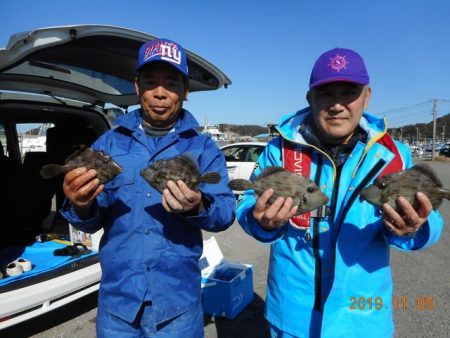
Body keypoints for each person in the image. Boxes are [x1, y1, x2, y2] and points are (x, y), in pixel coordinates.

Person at [236, 48, 444, 337]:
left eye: (349, 93)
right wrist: (261, 222)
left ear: (367, 96)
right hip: (292, 316)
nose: (337, 105)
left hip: (364, 319)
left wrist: (414, 228)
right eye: (325, 94)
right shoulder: (279, 149)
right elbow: (247, 204)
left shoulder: (394, 154)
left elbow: (431, 218)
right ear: (310, 98)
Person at [61, 38, 235, 338]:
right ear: (137, 86)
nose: (160, 93)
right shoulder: (108, 143)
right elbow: (89, 221)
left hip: (179, 307)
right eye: (150, 81)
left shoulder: (205, 147)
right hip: (118, 306)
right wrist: (80, 203)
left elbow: (225, 212)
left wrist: (198, 207)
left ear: (186, 91)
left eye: (171, 83)